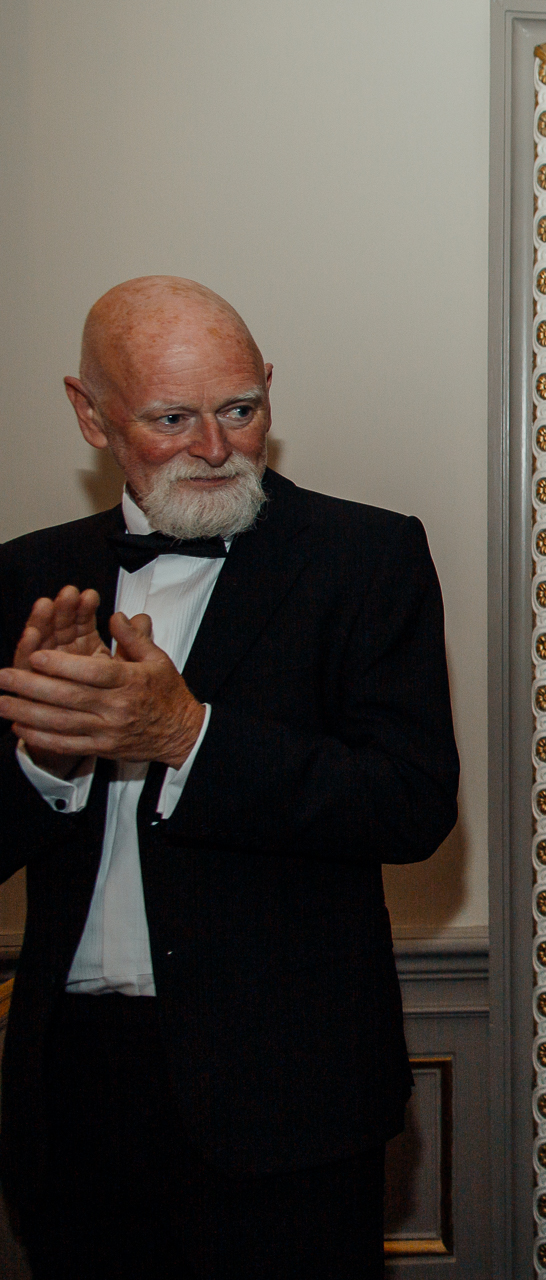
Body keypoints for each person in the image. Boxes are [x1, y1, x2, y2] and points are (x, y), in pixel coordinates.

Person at [0, 277, 459, 1278]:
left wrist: (190, 734)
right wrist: (45, 760)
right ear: (90, 413)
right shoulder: (24, 576)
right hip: (73, 1084)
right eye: (172, 417)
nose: (216, 447)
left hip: (289, 1095)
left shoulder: (367, 556)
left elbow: (411, 799)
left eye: (241, 408)